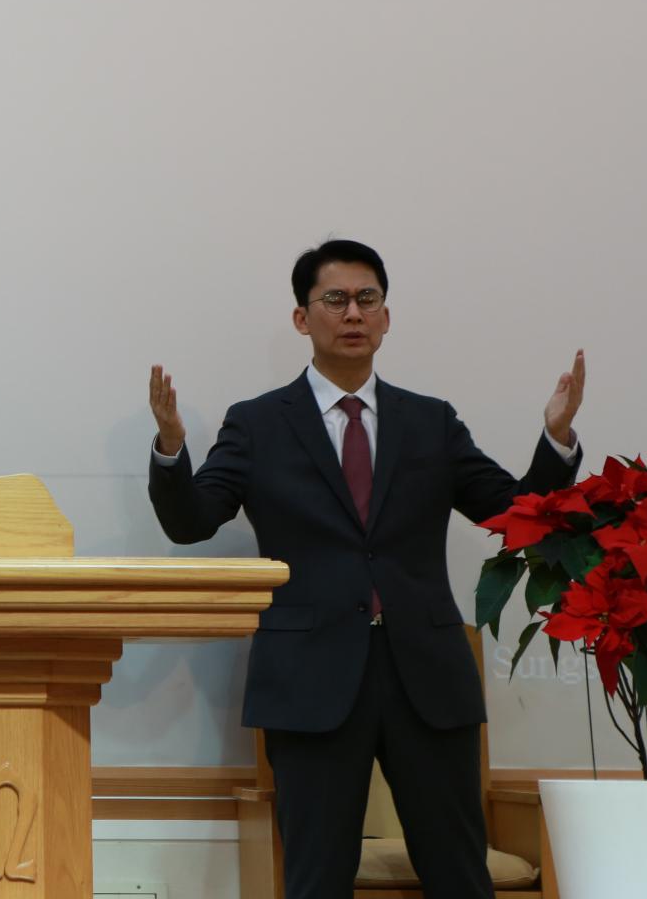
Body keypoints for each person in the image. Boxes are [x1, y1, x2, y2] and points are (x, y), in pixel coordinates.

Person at [146, 239, 585, 899]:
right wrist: (171, 448)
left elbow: (515, 513)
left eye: (367, 299)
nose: (353, 313)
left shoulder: (430, 421)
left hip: (426, 675)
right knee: (317, 878)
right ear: (303, 318)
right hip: (309, 679)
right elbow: (191, 521)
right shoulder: (258, 424)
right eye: (335, 299)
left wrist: (556, 440)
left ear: (385, 316)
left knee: (459, 874)